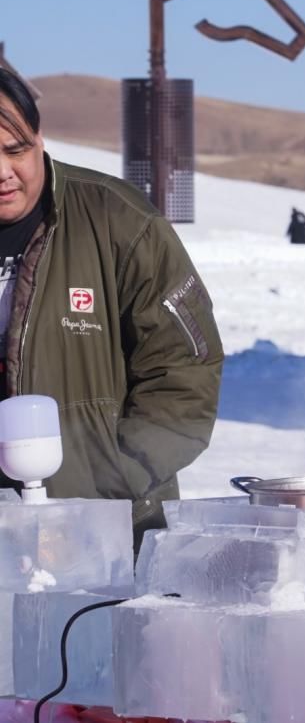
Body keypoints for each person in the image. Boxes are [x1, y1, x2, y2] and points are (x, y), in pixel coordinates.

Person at [0, 69, 223, 545]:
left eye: (15, 151)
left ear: (39, 138)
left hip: (111, 533)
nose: (3, 171)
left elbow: (185, 372)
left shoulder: (118, 220)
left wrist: (112, 480)